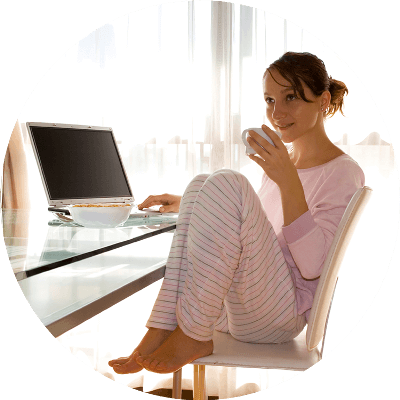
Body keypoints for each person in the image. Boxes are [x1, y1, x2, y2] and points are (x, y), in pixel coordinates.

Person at [108, 52, 365, 375]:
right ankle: (163, 325)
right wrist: (192, 201)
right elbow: (249, 229)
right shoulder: (279, 163)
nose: (277, 112)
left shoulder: (342, 172)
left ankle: (192, 334)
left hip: (278, 318)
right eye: (270, 100)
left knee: (228, 180)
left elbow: (313, 267)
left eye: (291, 98)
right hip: (237, 309)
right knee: (202, 183)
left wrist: (289, 182)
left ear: (323, 100)